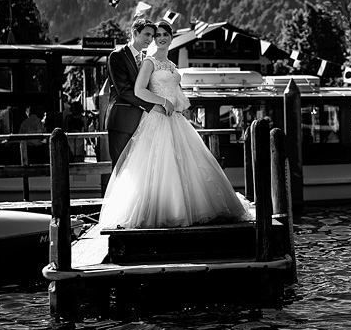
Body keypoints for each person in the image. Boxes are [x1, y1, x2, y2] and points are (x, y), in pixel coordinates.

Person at [98, 20, 249, 228]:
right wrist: (161, 103)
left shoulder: (169, 65)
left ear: (170, 37)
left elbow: (175, 92)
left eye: (162, 35)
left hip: (173, 118)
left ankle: (188, 207)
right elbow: (134, 91)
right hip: (149, 116)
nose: (157, 38)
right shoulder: (144, 61)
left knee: (184, 164)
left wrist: (177, 106)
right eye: (153, 35)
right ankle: (147, 211)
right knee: (142, 167)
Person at [105, 18, 157, 165]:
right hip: (122, 121)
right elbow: (123, 90)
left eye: (152, 36)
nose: (150, 39)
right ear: (135, 32)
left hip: (141, 123)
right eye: (147, 34)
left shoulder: (145, 59)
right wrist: (150, 106)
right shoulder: (117, 56)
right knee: (120, 169)